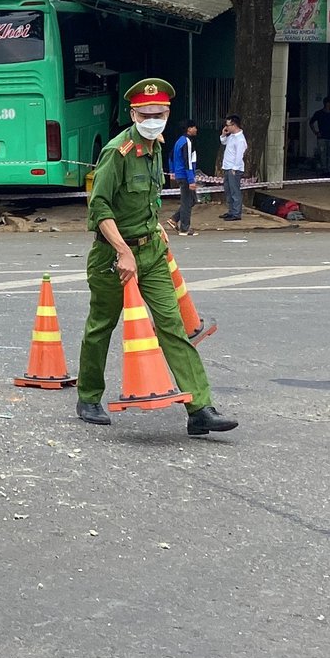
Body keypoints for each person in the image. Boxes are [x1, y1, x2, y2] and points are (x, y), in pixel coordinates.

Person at [77, 78, 236, 435]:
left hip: (151, 252)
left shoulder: (157, 145)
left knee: (173, 327)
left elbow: (145, 198)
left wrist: (156, 227)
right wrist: (122, 251)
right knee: (101, 326)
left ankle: (200, 408)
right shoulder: (117, 153)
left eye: (159, 113)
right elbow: (99, 207)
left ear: (167, 114)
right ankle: (88, 396)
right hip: (112, 257)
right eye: (146, 113)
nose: (153, 119)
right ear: (133, 113)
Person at [168, 120, 200, 236]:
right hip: (185, 176)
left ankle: (174, 219)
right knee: (187, 202)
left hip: (181, 174)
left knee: (192, 200)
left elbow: (170, 156)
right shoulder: (187, 142)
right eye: (194, 127)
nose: (196, 129)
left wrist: (172, 171)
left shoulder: (179, 141)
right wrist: (191, 180)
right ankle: (185, 228)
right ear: (189, 129)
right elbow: (188, 163)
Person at [217, 114, 247, 221]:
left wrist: (235, 168)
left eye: (228, 125)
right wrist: (223, 134)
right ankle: (231, 211)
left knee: (235, 191)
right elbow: (223, 142)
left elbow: (239, 155)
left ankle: (236, 213)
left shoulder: (240, 139)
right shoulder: (232, 136)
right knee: (228, 190)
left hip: (234, 168)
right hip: (227, 167)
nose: (227, 127)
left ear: (234, 125)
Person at [307, 99, 330, 171]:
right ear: (327, 104)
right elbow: (311, 123)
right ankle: (323, 169)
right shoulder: (319, 113)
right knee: (322, 154)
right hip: (322, 137)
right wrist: (315, 132)